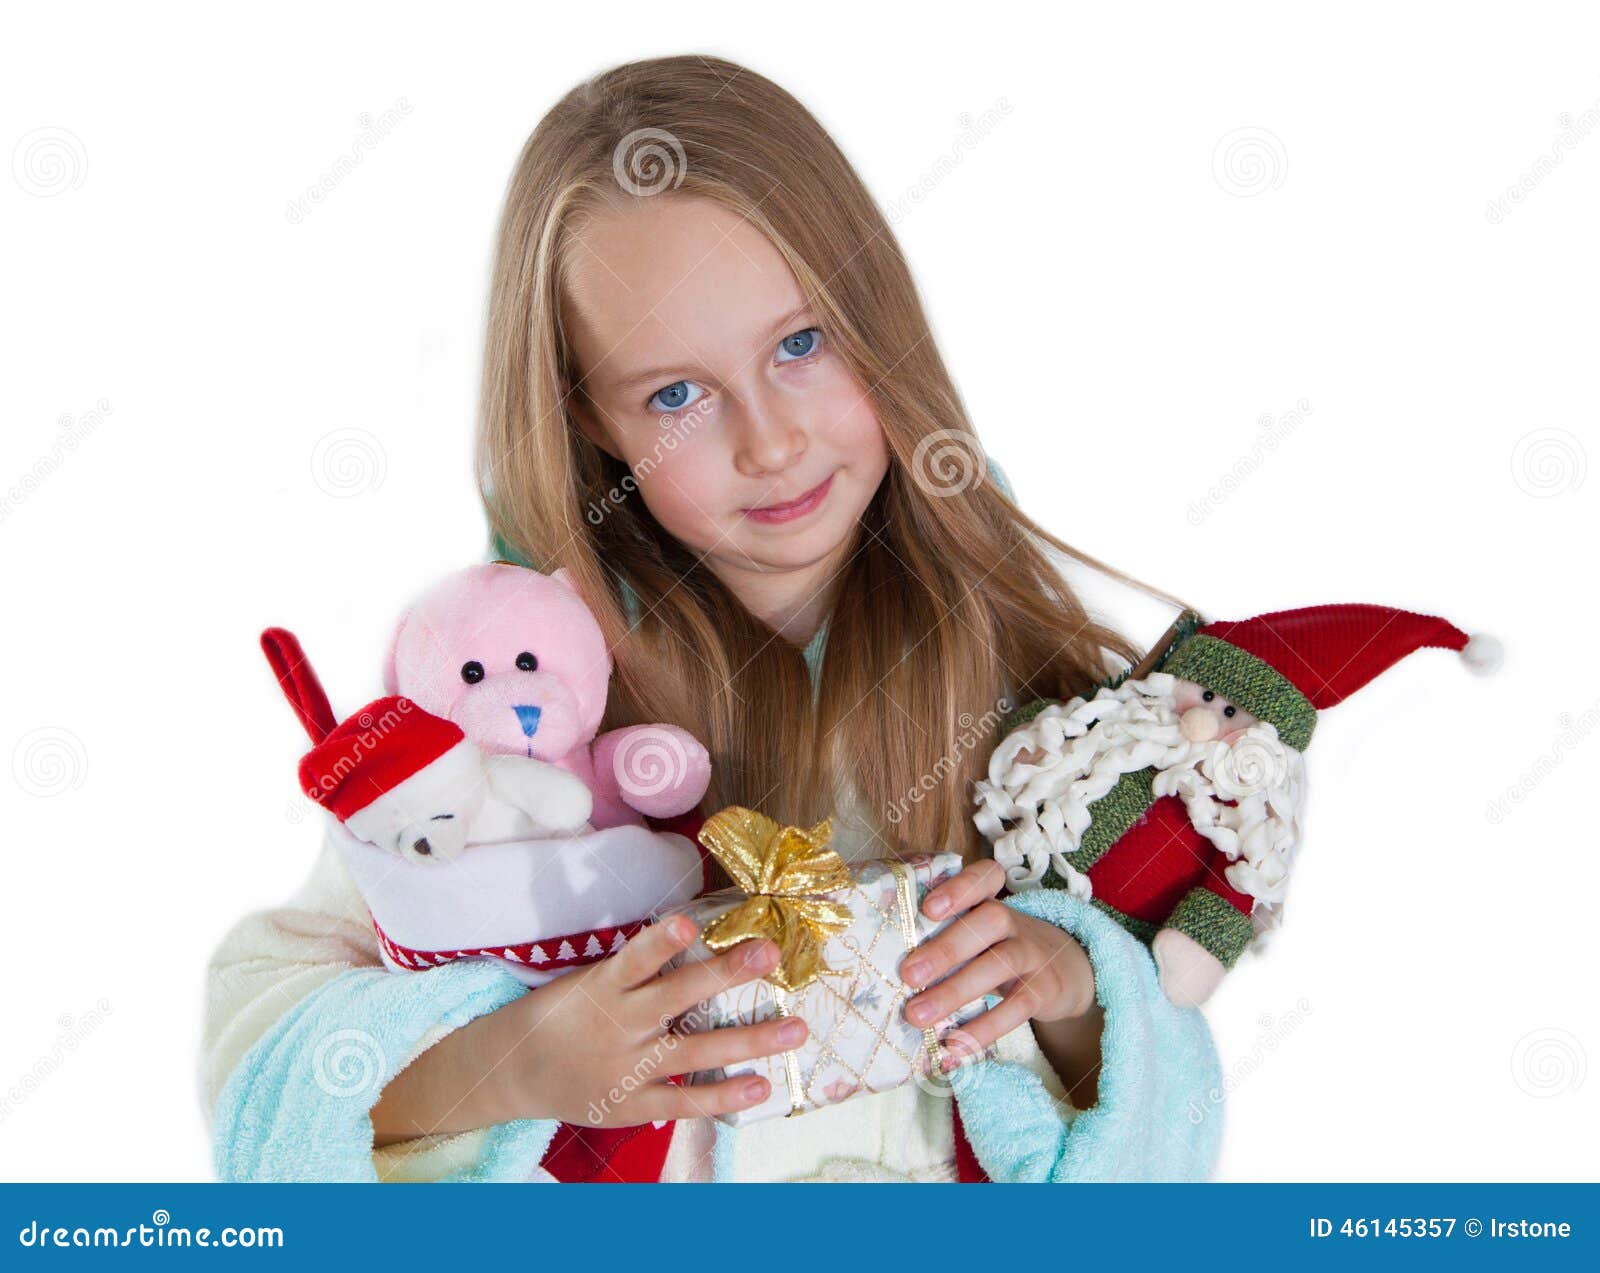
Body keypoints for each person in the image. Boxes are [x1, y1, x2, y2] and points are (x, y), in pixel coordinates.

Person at [201, 54, 1225, 1183]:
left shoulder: (1011, 670)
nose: (771, 441)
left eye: (803, 343)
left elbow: (1154, 1108)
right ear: (586, 417)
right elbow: (272, 1054)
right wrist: (521, 1059)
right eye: (676, 395)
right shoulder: (519, 711)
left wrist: (1075, 988)